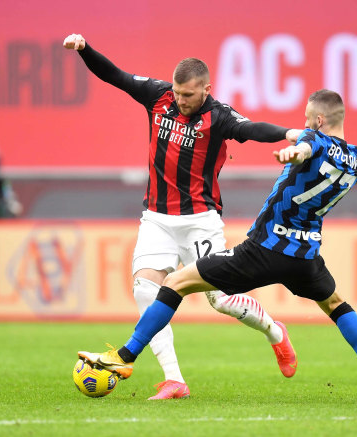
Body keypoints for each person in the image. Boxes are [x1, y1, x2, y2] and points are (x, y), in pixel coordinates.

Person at [78, 89, 357, 402]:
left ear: (319, 120)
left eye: (308, 119)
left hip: (265, 249)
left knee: (175, 282)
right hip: (306, 257)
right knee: (336, 304)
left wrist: (293, 154)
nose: (305, 123)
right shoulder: (356, 159)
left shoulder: (313, 141)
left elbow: (306, 150)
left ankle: (125, 356)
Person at [63, 34, 302, 399]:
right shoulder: (158, 96)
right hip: (157, 217)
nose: (180, 100)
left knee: (220, 299)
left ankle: (274, 331)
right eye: (177, 93)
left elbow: (251, 129)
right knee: (146, 289)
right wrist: (84, 50)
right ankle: (174, 379)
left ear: (207, 89)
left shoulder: (219, 116)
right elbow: (116, 76)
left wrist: (288, 133)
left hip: (199, 221)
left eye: (188, 95)